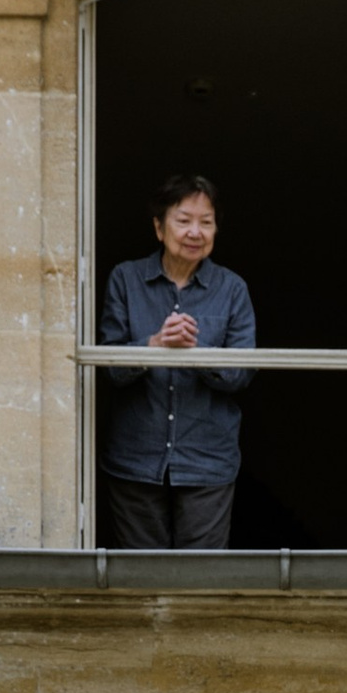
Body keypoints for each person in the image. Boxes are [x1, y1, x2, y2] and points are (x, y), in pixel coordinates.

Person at [100, 171, 256, 550]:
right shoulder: (125, 279)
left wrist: (195, 353)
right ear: (159, 228)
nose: (195, 232)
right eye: (183, 221)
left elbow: (242, 373)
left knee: (199, 581)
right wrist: (154, 345)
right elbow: (107, 368)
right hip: (135, 458)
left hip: (208, 459)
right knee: (141, 579)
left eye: (206, 223)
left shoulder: (233, 289)